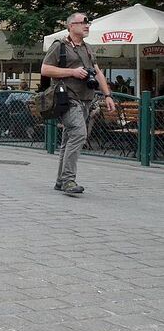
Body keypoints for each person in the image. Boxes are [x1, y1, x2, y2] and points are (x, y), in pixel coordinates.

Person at [40, 12, 116, 196]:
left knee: (69, 139)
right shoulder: (60, 46)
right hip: (68, 99)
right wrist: (72, 73)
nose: (87, 26)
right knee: (79, 134)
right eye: (83, 23)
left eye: (88, 23)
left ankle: (60, 181)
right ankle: (68, 180)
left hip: (87, 99)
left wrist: (107, 95)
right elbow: (45, 69)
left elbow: (97, 73)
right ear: (71, 26)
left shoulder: (88, 48)